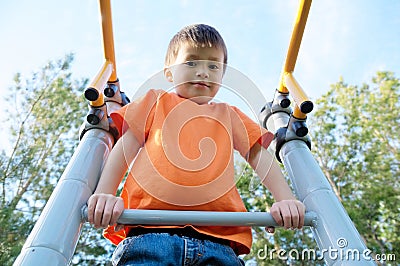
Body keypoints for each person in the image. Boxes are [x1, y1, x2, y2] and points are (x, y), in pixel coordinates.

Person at [87, 24, 305, 265]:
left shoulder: (228, 114)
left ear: (222, 76)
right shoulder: (155, 101)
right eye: (191, 62)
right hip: (148, 232)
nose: (203, 72)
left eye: (213, 66)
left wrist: (284, 198)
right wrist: (104, 193)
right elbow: (126, 146)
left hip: (219, 240)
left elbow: (257, 154)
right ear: (169, 72)